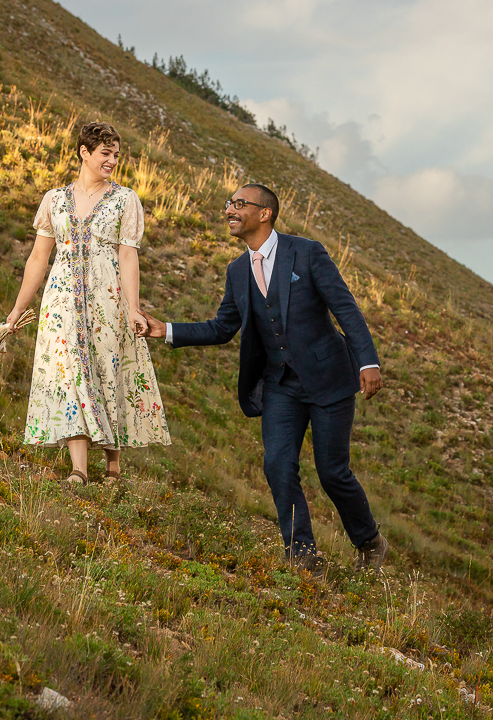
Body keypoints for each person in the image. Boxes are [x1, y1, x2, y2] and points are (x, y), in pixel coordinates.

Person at [140, 184, 389, 573]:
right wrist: (165, 330)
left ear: (264, 213)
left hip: (329, 379)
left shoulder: (307, 253)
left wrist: (367, 363)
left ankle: (369, 541)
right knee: (277, 463)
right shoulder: (237, 271)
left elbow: (346, 310)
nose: (230, 210)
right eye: (229, 204)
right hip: (280, 385)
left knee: (332, 473)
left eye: (239, 204)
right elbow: (223, 327)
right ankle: (303, 555)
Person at [5, 121, 170, 484]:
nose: (112, 161)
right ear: (84, 152)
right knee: (69, 375)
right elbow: (38, 258)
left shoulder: (125, 200)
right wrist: (17, 309)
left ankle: (113, 463)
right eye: (105, 153)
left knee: (109, 368)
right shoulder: (54, 200)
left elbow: (128, 256)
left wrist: (133, 308)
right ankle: (78, 468)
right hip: (61, 300)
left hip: (107, 299)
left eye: (116, 155)